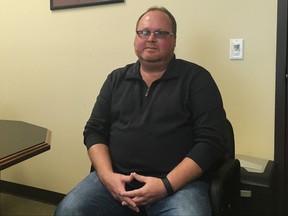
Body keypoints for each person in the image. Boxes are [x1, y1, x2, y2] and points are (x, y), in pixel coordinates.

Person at [55, 6, 227, 216]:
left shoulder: (197, 79)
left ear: (174, 40)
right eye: (144, 32)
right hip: (117, 180)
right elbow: (94, 131)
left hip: (178, 186)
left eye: (161, 33)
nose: (151, 38)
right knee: (68, 211)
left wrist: (166, 185)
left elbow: (212, 142)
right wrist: (108, 177)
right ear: (136, 38)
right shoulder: (116, 79)